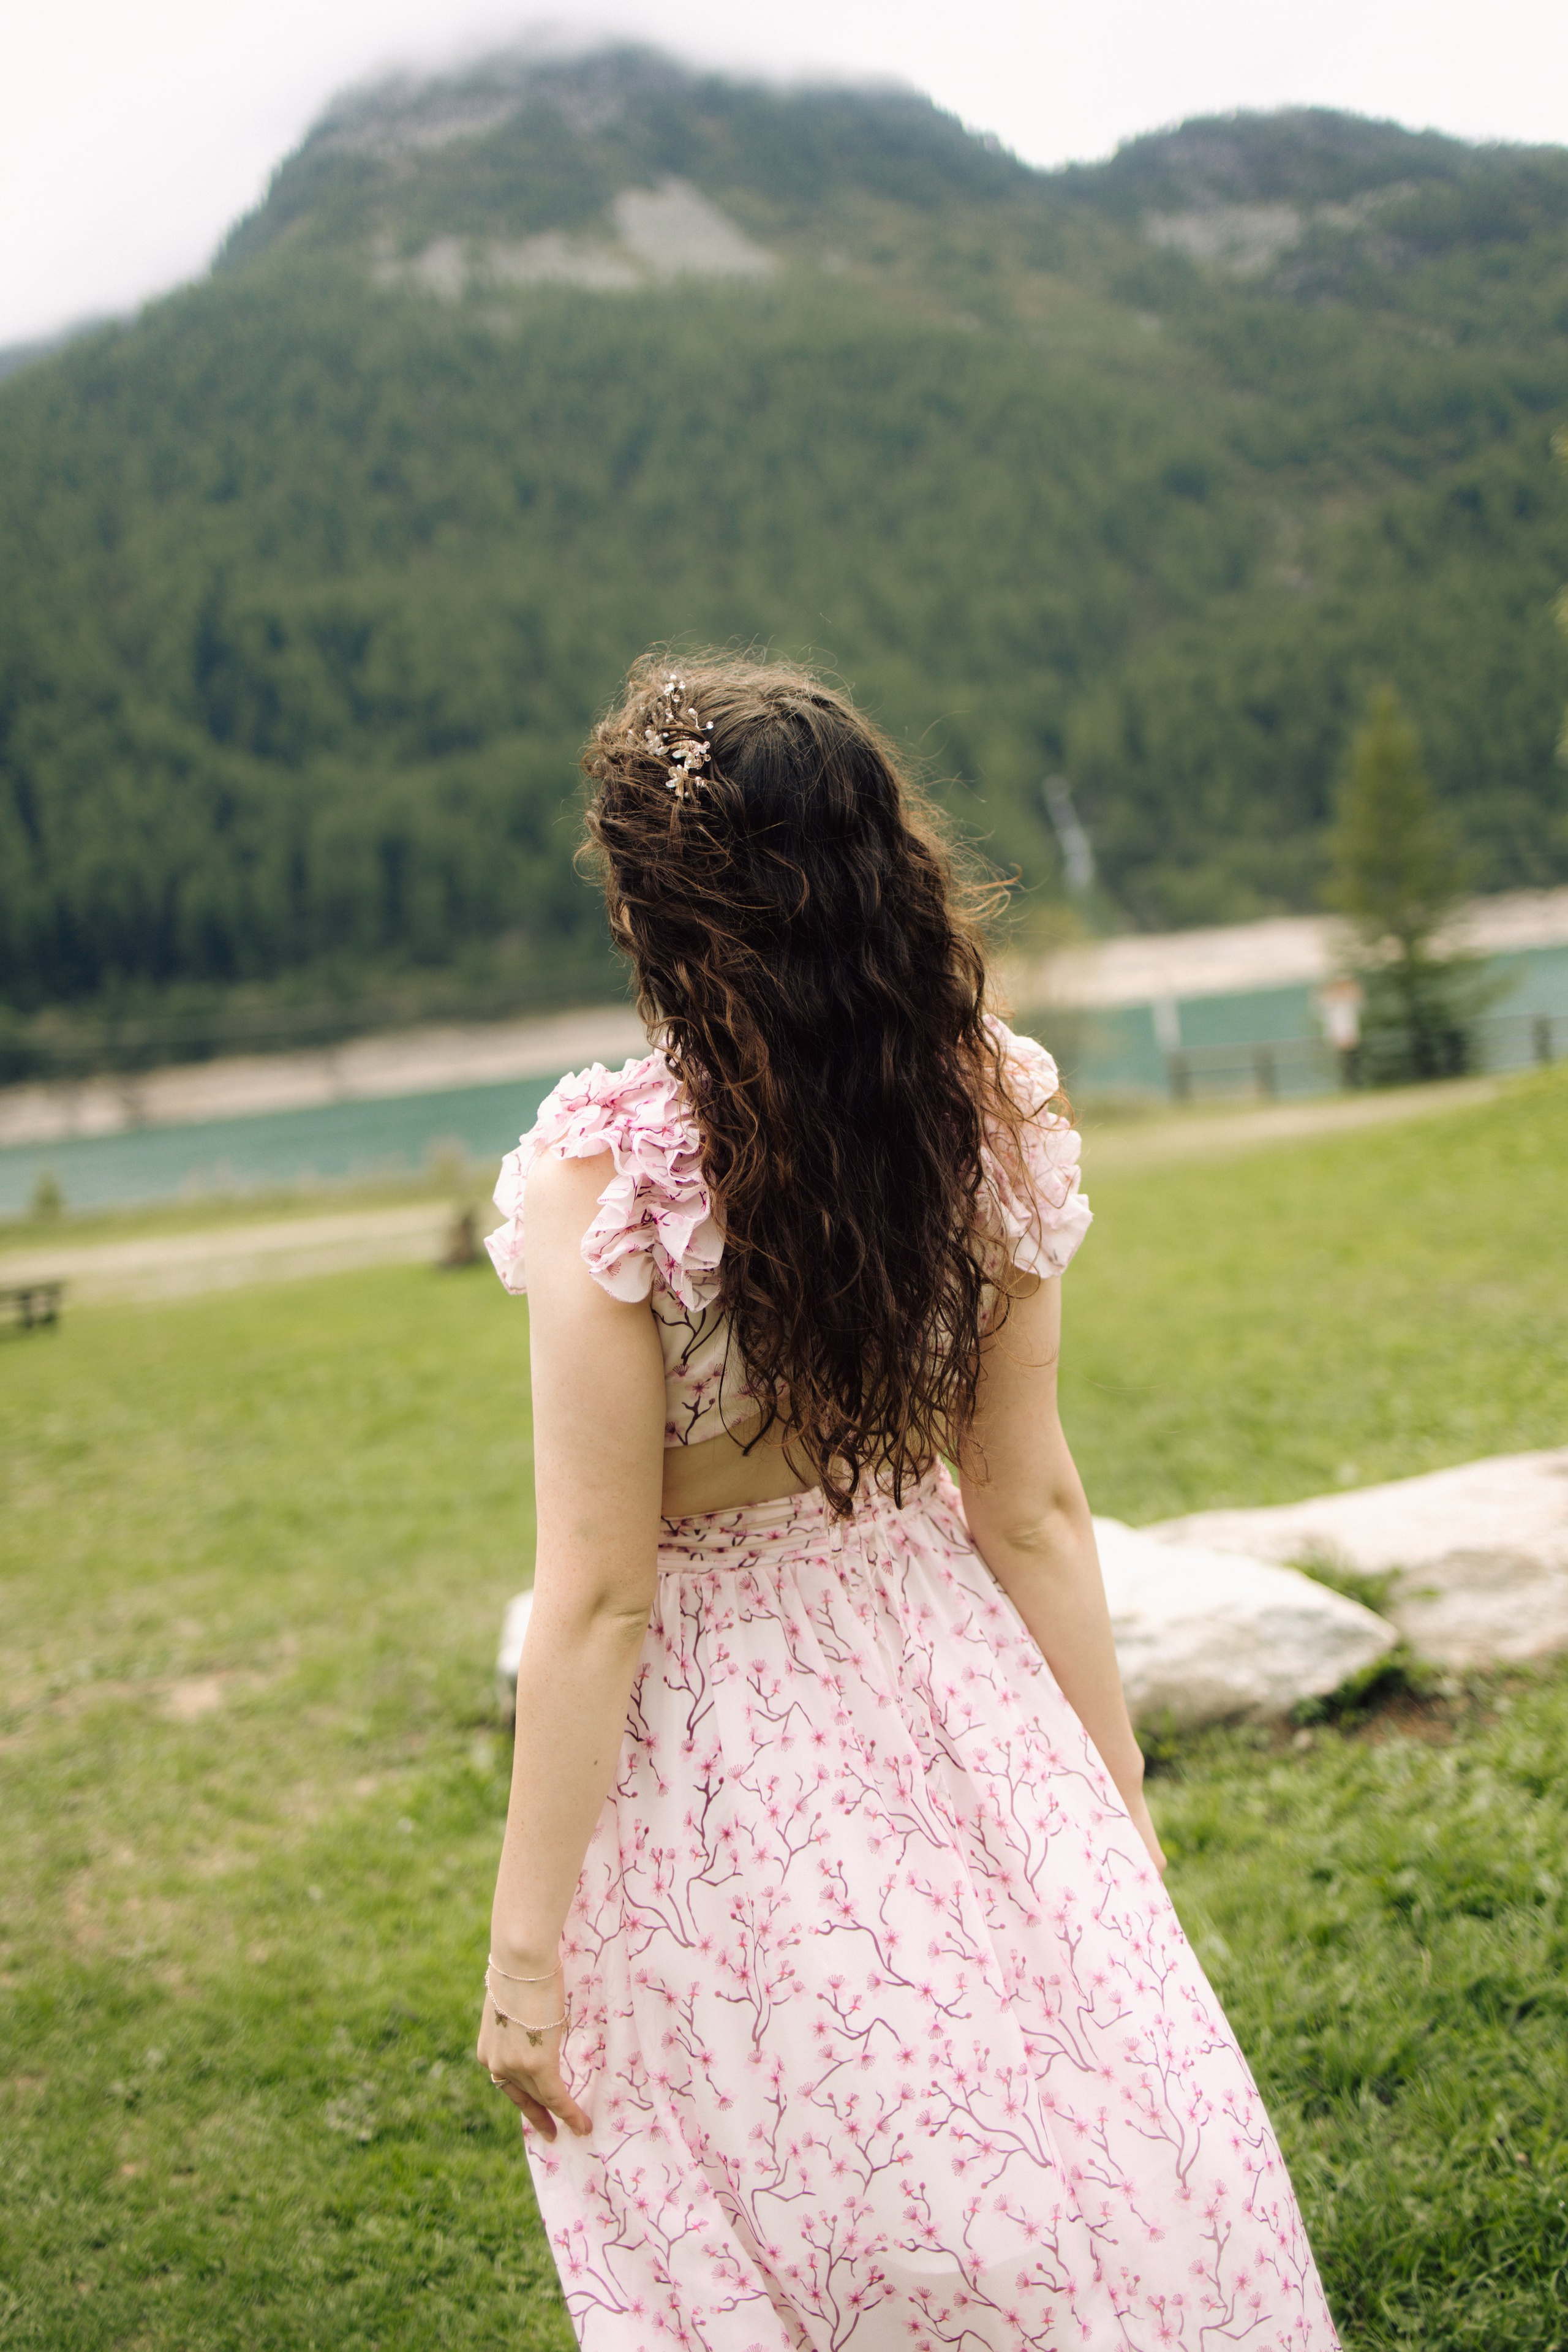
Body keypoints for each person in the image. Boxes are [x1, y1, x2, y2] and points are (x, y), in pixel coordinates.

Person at [478, 657, 1340, 2350]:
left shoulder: (615, 1173)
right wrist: (1111, 1804)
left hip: (724, 1749)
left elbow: (598, 1596)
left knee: (787, 2184)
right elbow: (1032, 1510)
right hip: (955, 1674)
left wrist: (524, 1956)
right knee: (1053, 2143)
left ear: (664, 910)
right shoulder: (990, 1110)